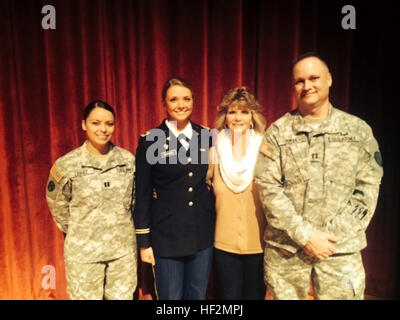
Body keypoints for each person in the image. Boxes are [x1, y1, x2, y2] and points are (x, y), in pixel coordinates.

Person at [254, 52, 383, 300]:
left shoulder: (357, 131)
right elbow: (268, 188)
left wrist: (330, 238)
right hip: (287, 251)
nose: (307, 86)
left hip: (339, 251)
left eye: (314, 78)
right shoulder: (278, 132)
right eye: (299, 81)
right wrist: (306, 236)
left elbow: (368, 189)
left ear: (330, 79)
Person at [46, 100, 137, 300]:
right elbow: (57, 204)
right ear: (84, 124)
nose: (103, 129)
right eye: (96, 123)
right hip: (84, 255)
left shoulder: (128, 161)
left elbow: (134, 202)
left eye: (109, 124)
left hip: (121, 253)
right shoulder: (67, 165)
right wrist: (81, 231)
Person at [134, 77, 215, 300]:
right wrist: (144, 243)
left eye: (186, 99)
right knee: (171, 298)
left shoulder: (207, 136)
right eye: (174, 99)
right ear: (164, 103)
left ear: (194, 101)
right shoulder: (151, 140)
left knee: (197, 296)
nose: (181, 105)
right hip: (166, 236)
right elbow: (141, 195)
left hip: (201, 234)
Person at [206, 87, 267, 299]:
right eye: (232, 112)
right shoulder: (213, 151)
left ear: (252, 118)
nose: (238, 117)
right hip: (224, 246)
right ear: (225, 118)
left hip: (259, 245)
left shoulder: (266, 150)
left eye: (244, 112)